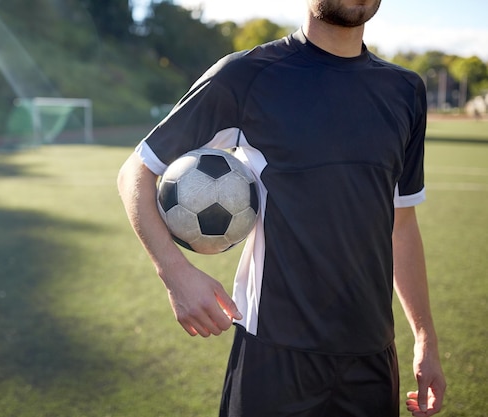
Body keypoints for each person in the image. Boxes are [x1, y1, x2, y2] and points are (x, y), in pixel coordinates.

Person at [117, 0, 446, 416]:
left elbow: (401, 226)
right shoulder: (245, 76)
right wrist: (176, 274)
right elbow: (136, 172)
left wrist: (425, 338)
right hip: (273, 358)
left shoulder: (405, 90)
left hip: (372, 359)